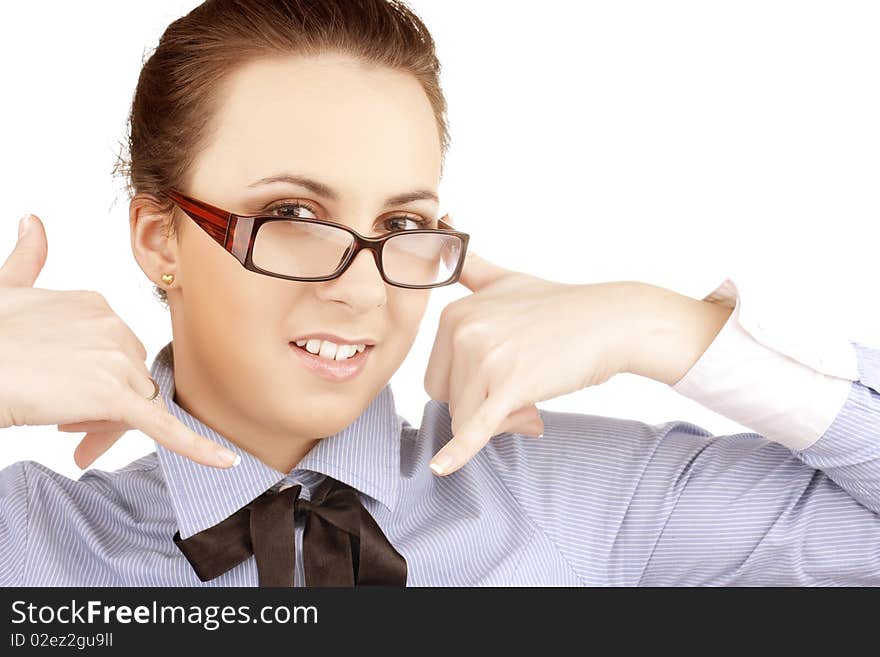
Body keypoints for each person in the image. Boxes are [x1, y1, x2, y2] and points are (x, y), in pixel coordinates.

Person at [1, 0, 878, 586]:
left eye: (400, 225)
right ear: (162, 240)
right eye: (294, 212)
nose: (361, 290)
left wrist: (666, 326)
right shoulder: (32, 540)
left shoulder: (574, 497)